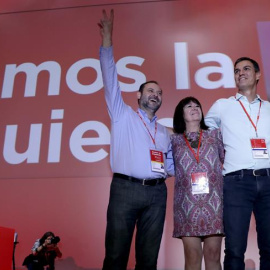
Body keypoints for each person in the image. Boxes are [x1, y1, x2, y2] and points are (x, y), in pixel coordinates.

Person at [98, 9, 171, 270]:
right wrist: (108, 40)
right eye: (150, 90)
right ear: (138, 95)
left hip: (157, 194)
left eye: (159, 92)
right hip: (125, 190)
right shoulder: (122, 115)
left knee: (148, 260)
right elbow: (109, 78)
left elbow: (170, 164)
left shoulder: (164, 132)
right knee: (116, 257)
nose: (155, 94)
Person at [205, 57, 270, 270]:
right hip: (236, 182)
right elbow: (202, 135)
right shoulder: (222, 106)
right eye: (236, 70)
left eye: (246, 69)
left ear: (258, 75)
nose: (240, 73)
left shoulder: (268, 108)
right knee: (234, 250)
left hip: (269, 181)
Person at [166, 97, 224, 270]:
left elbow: (229, 160)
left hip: (214, 204)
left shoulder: (215, 135)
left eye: (197, 105)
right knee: (192, 256)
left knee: (213, 255)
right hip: (186, 205)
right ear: (180, 114)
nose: (194, 108)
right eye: (189, 106)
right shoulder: (173, 139)